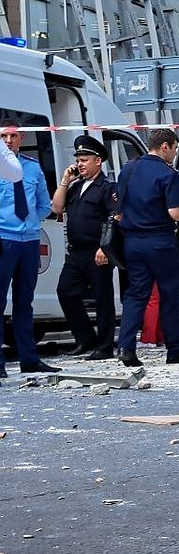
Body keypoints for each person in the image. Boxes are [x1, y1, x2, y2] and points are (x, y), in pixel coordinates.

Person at [113, 128, 179, 367]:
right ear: (165, 147)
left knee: (136, 295)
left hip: (132, 242)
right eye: (175, 148)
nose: (175, 153)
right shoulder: (168, 174)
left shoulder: (129, 169)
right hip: (160, 241)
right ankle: (174, 349)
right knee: (169, 295)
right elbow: (174, 212)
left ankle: (126, 348)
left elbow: (118, 207)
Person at [51, 135, 118, 360]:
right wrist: (64, 181)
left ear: (98, 161)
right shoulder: (75, 186)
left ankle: (105, 346)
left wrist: (105, 248)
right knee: (65, 291)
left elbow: (114, 217)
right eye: (78, 159)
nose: (80, 163)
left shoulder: (107, 187)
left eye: (85, 159)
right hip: (77, 251)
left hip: (97, 251)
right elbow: (57, 207)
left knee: (103, 298)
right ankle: (85, 338)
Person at [0, 118, 57, 375]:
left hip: (29, 241)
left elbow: (45, 204)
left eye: (13, 136)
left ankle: (29, 360)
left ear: (22, 138)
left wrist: (32, 221)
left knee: (25, 302)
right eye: (4, 137)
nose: (9, 141)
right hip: (4, 239)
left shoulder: (32, 168)